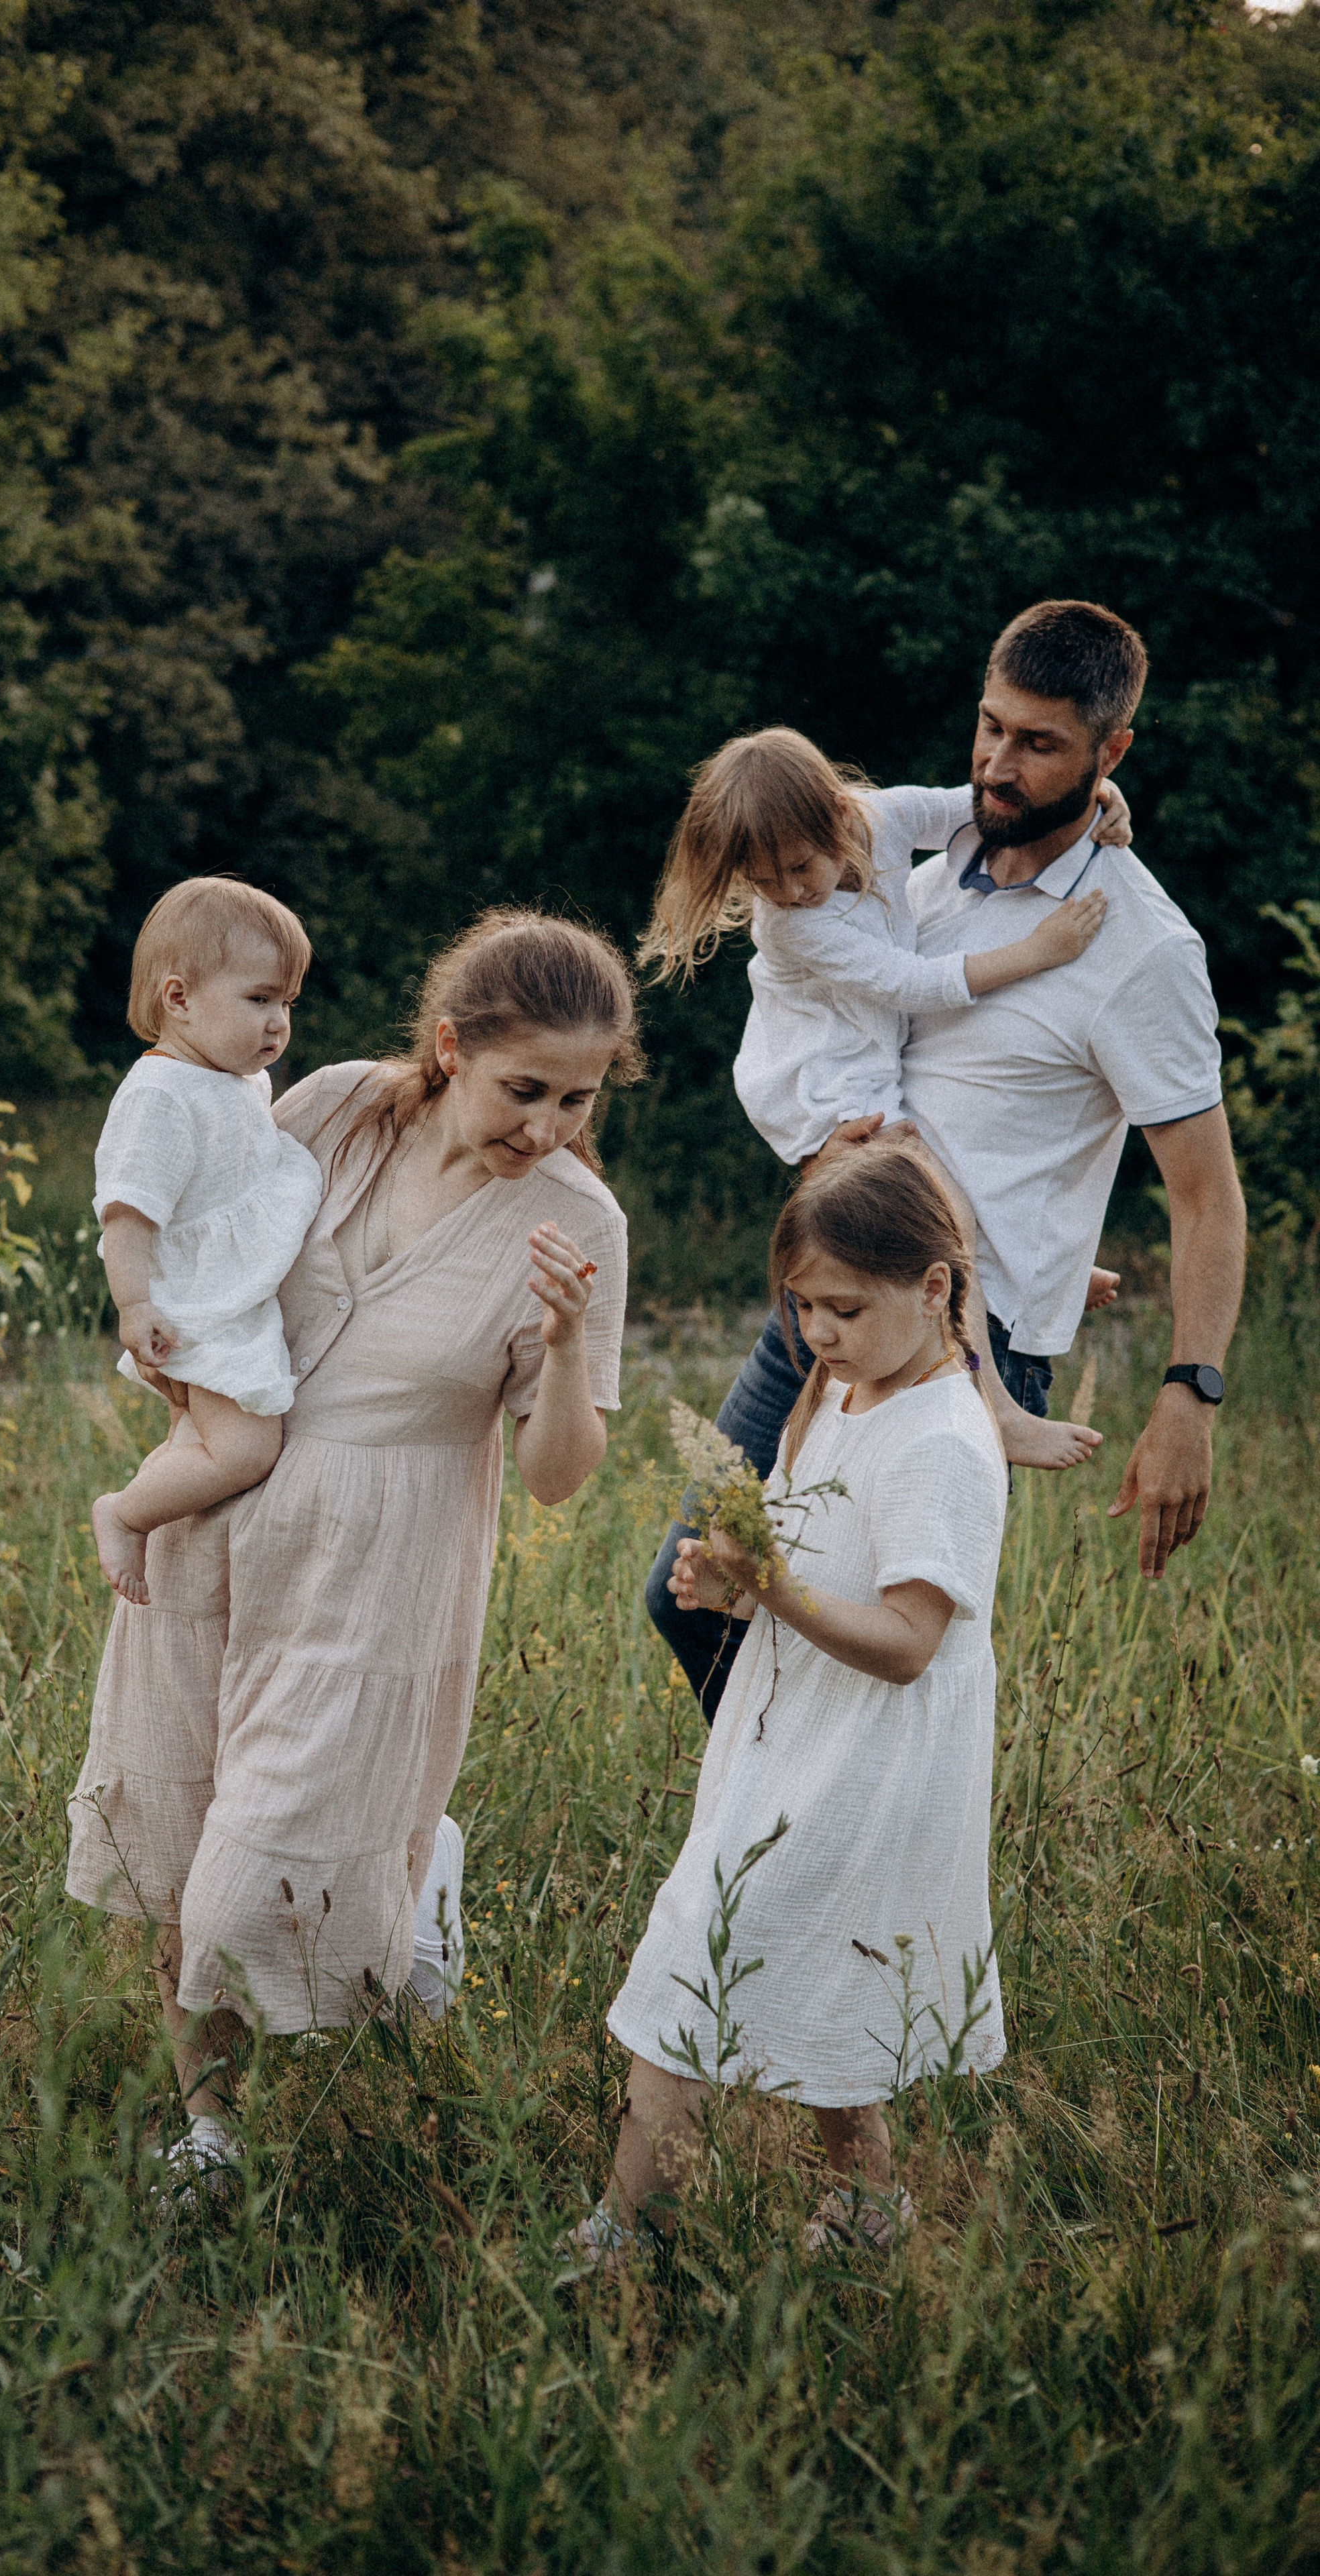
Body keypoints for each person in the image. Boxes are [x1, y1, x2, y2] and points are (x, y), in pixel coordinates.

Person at [66, 910, 635, 2194]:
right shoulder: (326, 1110)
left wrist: (554, 1343)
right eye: (524, 1089)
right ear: (449, 1048)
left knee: (241, 1887)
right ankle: (207, 2127)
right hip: (214, 1523)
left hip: (377, 1573)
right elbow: (196, 1234)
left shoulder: (576, 1224)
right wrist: (168, 1389)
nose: (547, 1125)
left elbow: (558, 1479)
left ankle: (410, 1890)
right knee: (171, 1845)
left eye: (581, 1099)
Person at [646, 600, 1246, 1719]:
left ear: (1111, 754)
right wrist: (824, 1134)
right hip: (826, 1302)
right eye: (989, 727)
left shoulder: (1143, 947)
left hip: (963, 1338)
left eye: (1039, 744)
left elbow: (1207, 1198)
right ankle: (775, 1842)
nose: (995, 767)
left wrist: (1190, 1397)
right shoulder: (923, 871)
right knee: (695, 1598)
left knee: (886, 1666)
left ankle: (865, 1874)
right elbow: (860, 1040)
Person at [577, 1147, 1008, 2271]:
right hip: (786, 1737)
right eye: (803, 1306)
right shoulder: (839, 1392)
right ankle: (867, 2206)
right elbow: (811, 1559)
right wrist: (733, 1585)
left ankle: (626, 2241)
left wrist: (774, 1590)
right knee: (813, 1969)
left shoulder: (946, 1443)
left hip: (867, 1760)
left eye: (846, 1308)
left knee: (693, 1965)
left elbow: (912, 1643)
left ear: (936, 1286)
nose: (817, 1333)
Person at [639, 723, 1127, 1472]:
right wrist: (1038, 952)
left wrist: (1094, 800)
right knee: (943, 1217)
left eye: (799, 867)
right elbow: (908, 982)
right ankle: (996, 1404)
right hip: (833, 1089)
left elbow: (978, 810)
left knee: (946, 1195)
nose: (791, 892)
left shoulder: (880, 816)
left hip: (873, 1056)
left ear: (838, 812)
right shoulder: (793, 928)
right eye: (763, 881)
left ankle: (1037, 1273)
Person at [88, 878, 323, 1606]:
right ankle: (124, 1512)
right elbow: (127, 1216)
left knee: (200, 1446)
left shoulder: (234, 1082)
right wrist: (135, 1308)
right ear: (179, 998)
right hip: (197, 1307)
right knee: (247, 1449)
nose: (277, 1022)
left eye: (286, 1003)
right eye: (258, 1000)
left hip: (232, 1298)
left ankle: (167, 1528)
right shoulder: (160, 1094)